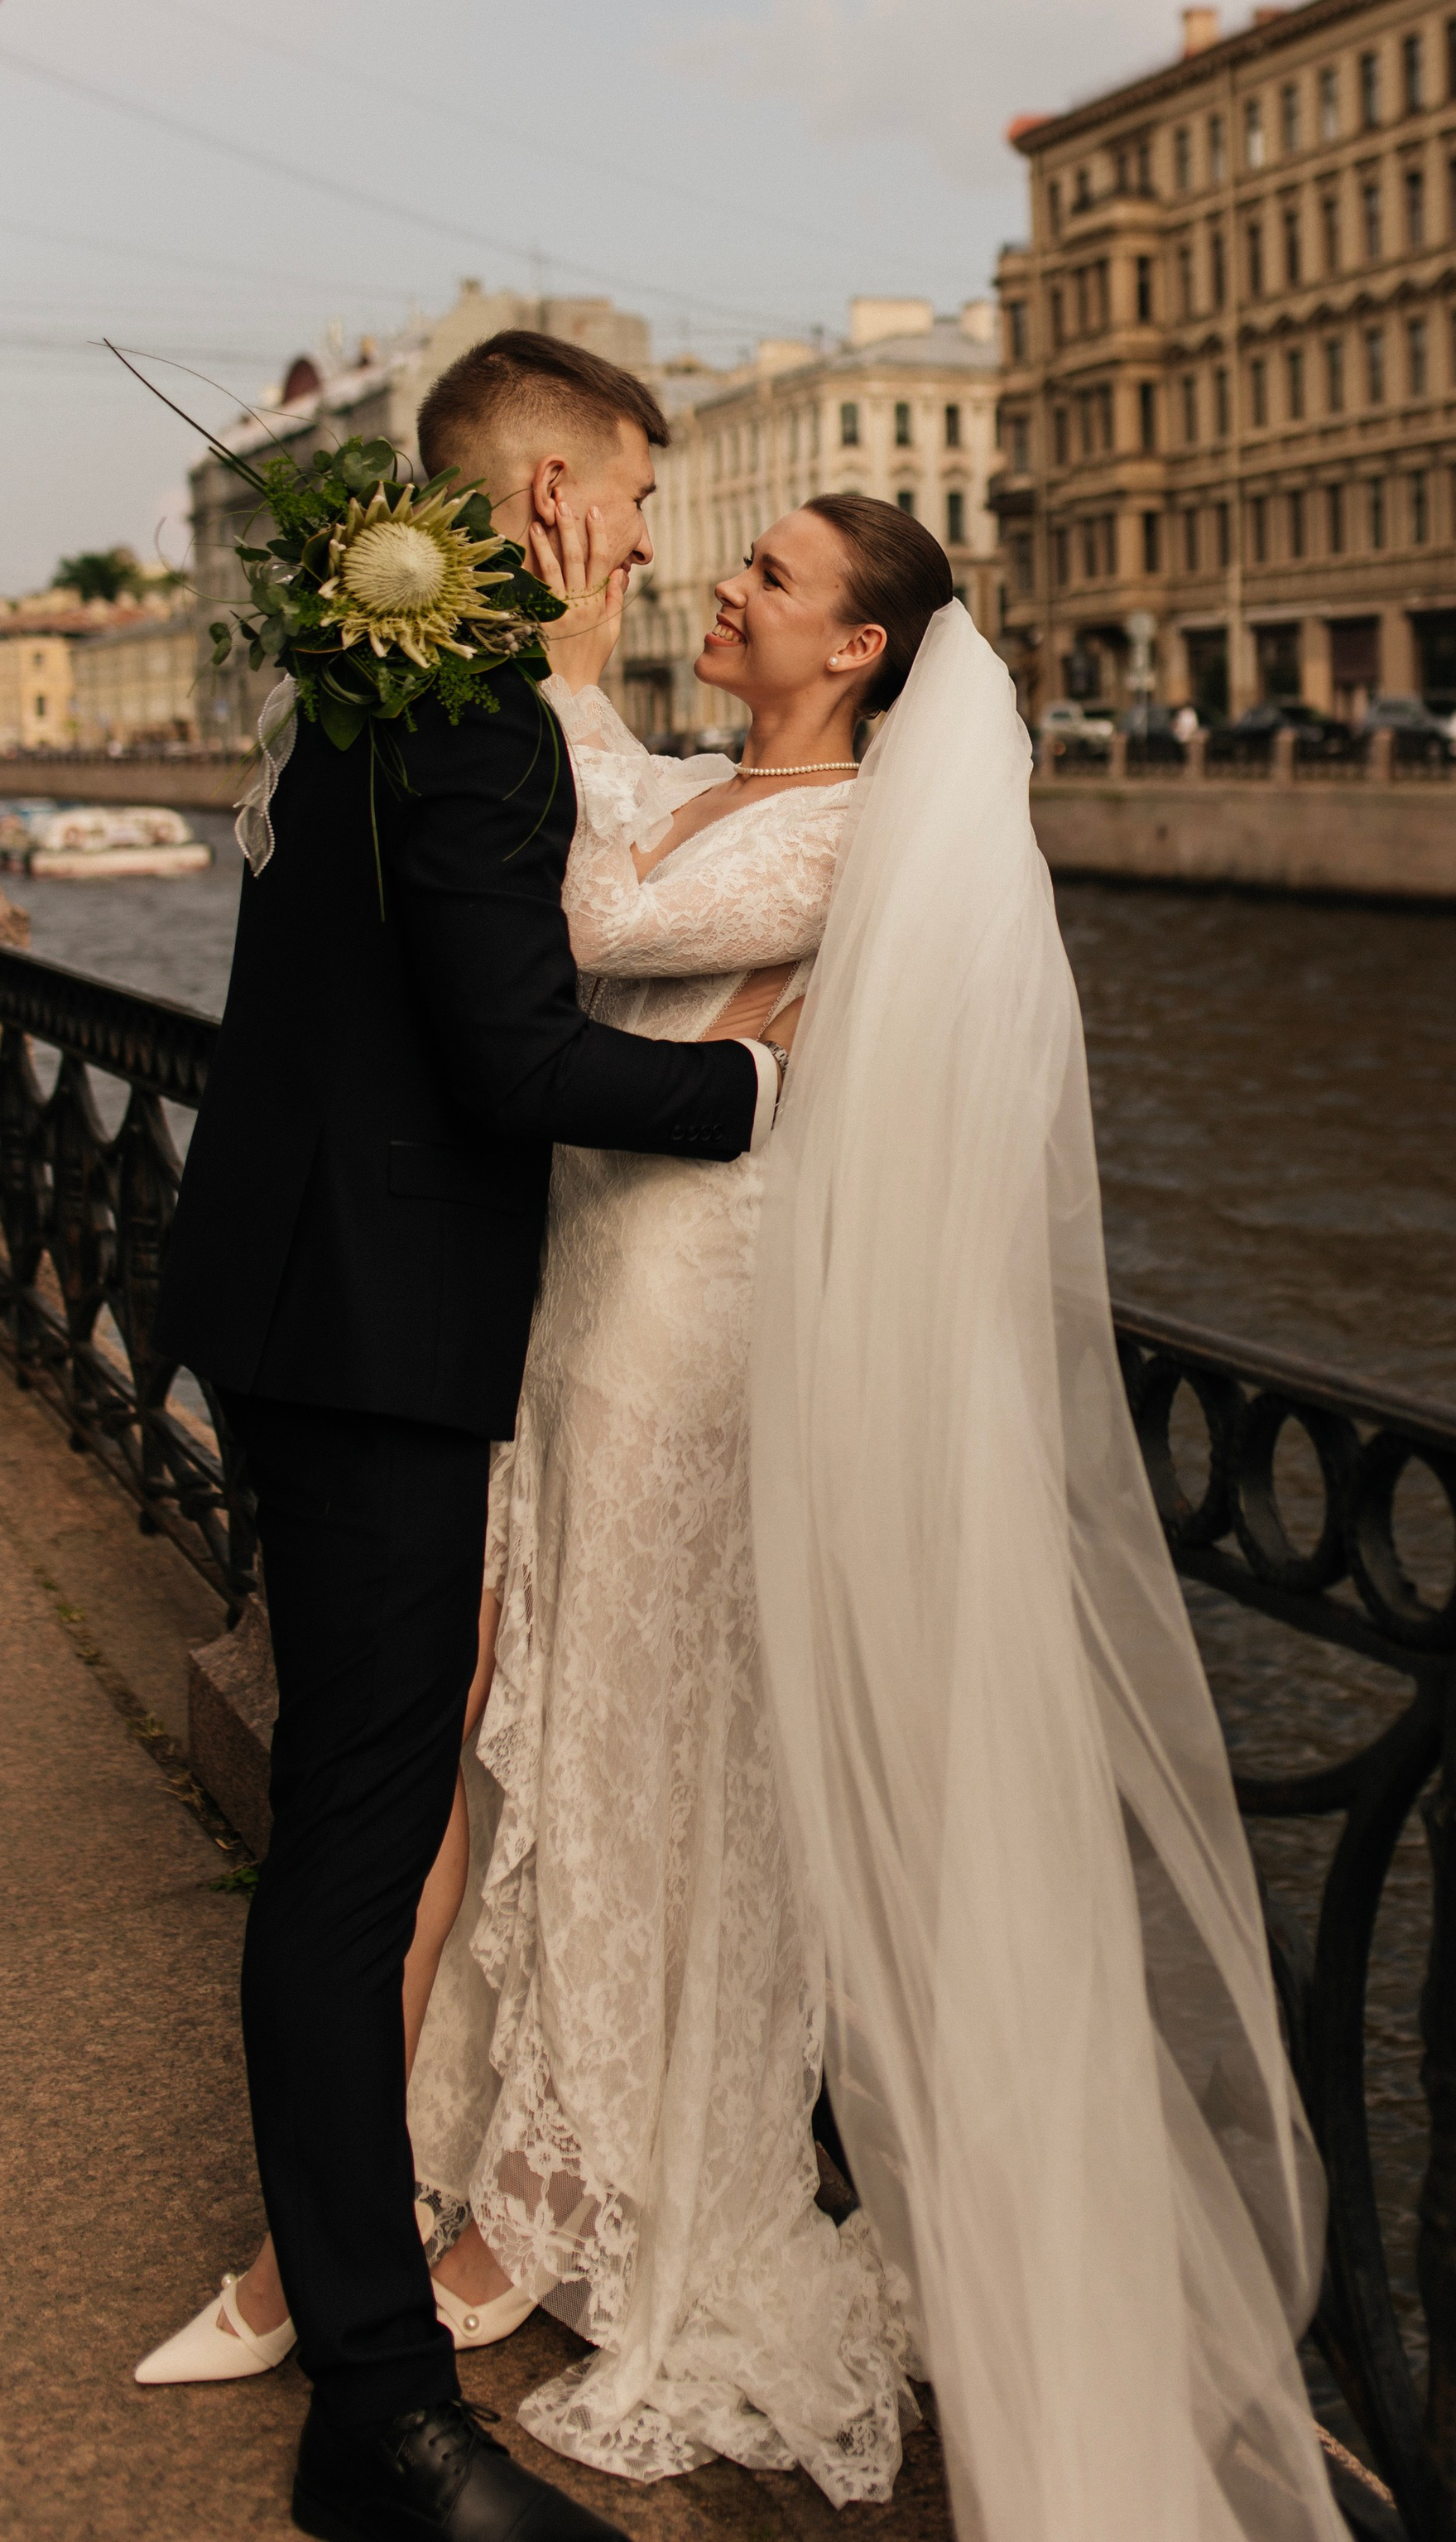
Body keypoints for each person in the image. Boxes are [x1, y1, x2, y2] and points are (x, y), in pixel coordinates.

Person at [138, 332, 793, 2542]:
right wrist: (755, 1092)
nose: (639, 531)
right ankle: (385, 2415)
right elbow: (517, 1062)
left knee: (349, 1823)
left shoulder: (373, 688)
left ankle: (357, 2339)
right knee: (351, 1845)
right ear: (549, 504)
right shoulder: (478, 716)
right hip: (384, 1331)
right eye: (622, 490)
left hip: (294, 1292)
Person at [402, 493, 925, 2496]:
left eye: (773, 578)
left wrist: (564, 648)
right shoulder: (716, 781)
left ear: (858, 650)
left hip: (689, 1346)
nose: (732, 585)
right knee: (562, 1743)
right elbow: (616, 796)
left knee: (635, 1757)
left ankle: (565, 2202)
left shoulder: (854, 832)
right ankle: (517, 2152)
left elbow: (593, 911)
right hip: (588, 1307)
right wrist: (570, 620)